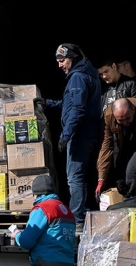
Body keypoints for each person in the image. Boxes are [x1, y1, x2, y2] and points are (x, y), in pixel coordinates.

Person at [45, 43, 102, 229]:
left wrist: (65, 135)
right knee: (80, 177)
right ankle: (81, 214)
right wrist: (48, 104)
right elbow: (71, 103)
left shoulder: (77, 77)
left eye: (62, 60)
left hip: (79, 135)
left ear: (73, 58)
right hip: (88, 134)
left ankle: (77, 219)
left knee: (74, 178)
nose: (60, 65)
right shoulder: (88, 74)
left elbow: (78, 109)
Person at [96, 98, 136, 200]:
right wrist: (101, 179)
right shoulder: (108, 116)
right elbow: (106, 146)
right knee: (120, 177)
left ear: (133, 110)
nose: (125, 122)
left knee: (132, 172)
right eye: (120, 120)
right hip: (125, 148)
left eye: (128, 118)